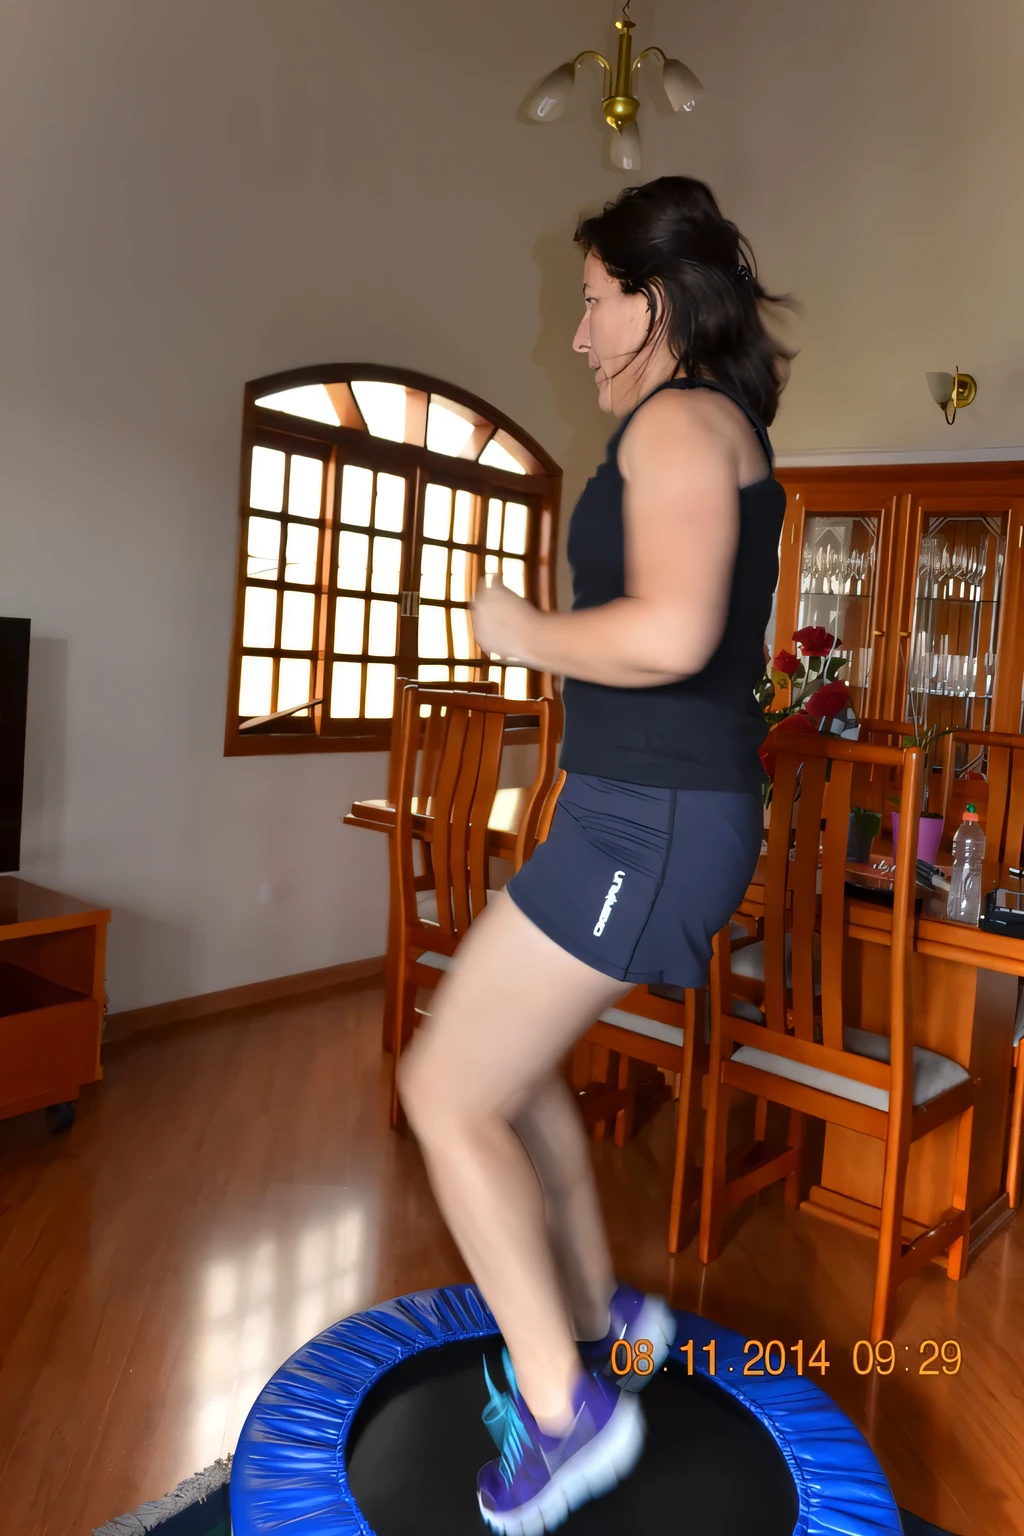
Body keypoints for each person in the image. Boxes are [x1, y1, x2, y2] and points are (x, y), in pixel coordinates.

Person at [399, 175, 792, 1535]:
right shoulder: (695, 423)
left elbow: (675, 636)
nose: (576, 334)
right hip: (633, 811)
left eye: (591, 300)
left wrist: (520, 632)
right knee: (500, 1075)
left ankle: (567, 1413)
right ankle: (591, 1314)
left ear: (657, 302)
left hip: (655, 821)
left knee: (444, 1090)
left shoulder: (683, 420)